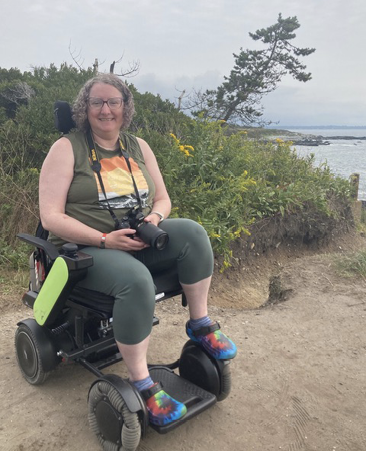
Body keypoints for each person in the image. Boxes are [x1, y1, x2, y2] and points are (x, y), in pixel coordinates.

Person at [39, 73, 237, 426]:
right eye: (97, 102)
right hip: (84, 249)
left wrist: (155, 219)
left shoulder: (138, 146)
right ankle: (142, 382)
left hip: (136, 236)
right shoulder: (68, 148)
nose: (105, 110)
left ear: (125, 108)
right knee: (137, 280)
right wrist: (104, 239)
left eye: (113, 102)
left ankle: (200, 324)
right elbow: (50, 217)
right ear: (85, 108)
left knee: (192, 233)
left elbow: (163, 198)